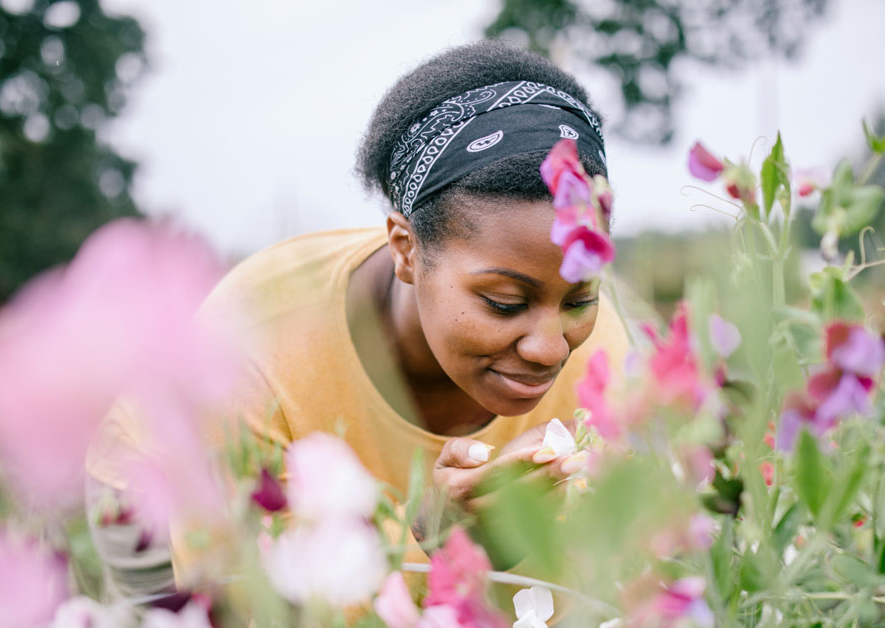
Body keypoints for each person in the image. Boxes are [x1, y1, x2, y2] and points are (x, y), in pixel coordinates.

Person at [84, 41, 630, 598]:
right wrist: (433, 542)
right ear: (405, 249)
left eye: (578, 301)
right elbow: (258, 615)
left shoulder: (605, 361)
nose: (550, 349)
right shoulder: (250, 339)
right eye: (505, 303)